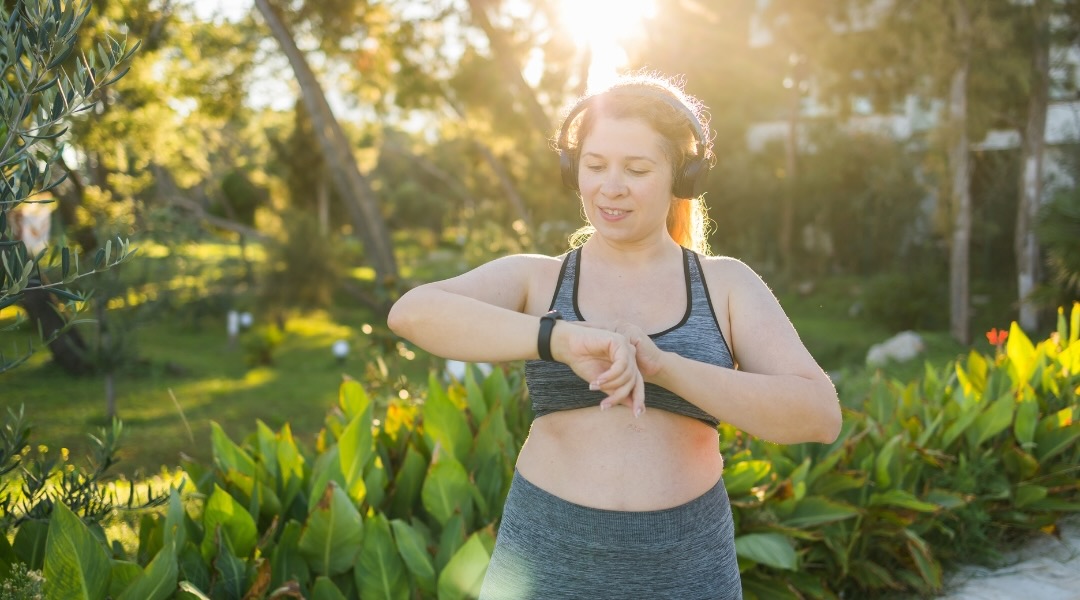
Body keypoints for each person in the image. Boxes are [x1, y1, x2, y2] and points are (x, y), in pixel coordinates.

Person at [387, 71, 842, 600]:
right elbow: (412, 313)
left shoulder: (726, 285)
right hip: (547, 555)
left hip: (685, 564)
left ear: (682, 176)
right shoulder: (539, 278)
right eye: (595, 165)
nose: (612, 186)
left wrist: (664, 365)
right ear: (571, 169)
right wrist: (558, 340)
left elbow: (820, 414)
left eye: (637, 168)